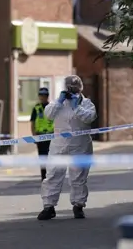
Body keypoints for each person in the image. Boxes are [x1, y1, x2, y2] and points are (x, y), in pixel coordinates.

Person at [37, 75, 97, 220]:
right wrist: (59, 101)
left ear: (80, 88)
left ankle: (78, 206)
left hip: (80, 146)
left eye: (74, 87)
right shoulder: (58, 104)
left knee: (78, 177)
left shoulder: (86, 103)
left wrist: (77, 107)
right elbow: (48, 115)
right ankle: (48, 206)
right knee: (52, 176)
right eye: (70, 87)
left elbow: (90, 117)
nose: (72, 90)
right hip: (59, 146)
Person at [30, 87, 54, 181]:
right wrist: (34, 136)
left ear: (47, 97)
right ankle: (44, 178)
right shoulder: (36, 108)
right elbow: (32, 123)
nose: (42, 97)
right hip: (40, 136)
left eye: (44, 96)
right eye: (41, 96)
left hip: (51, 136)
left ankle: (51, 176)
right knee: (42, 157)